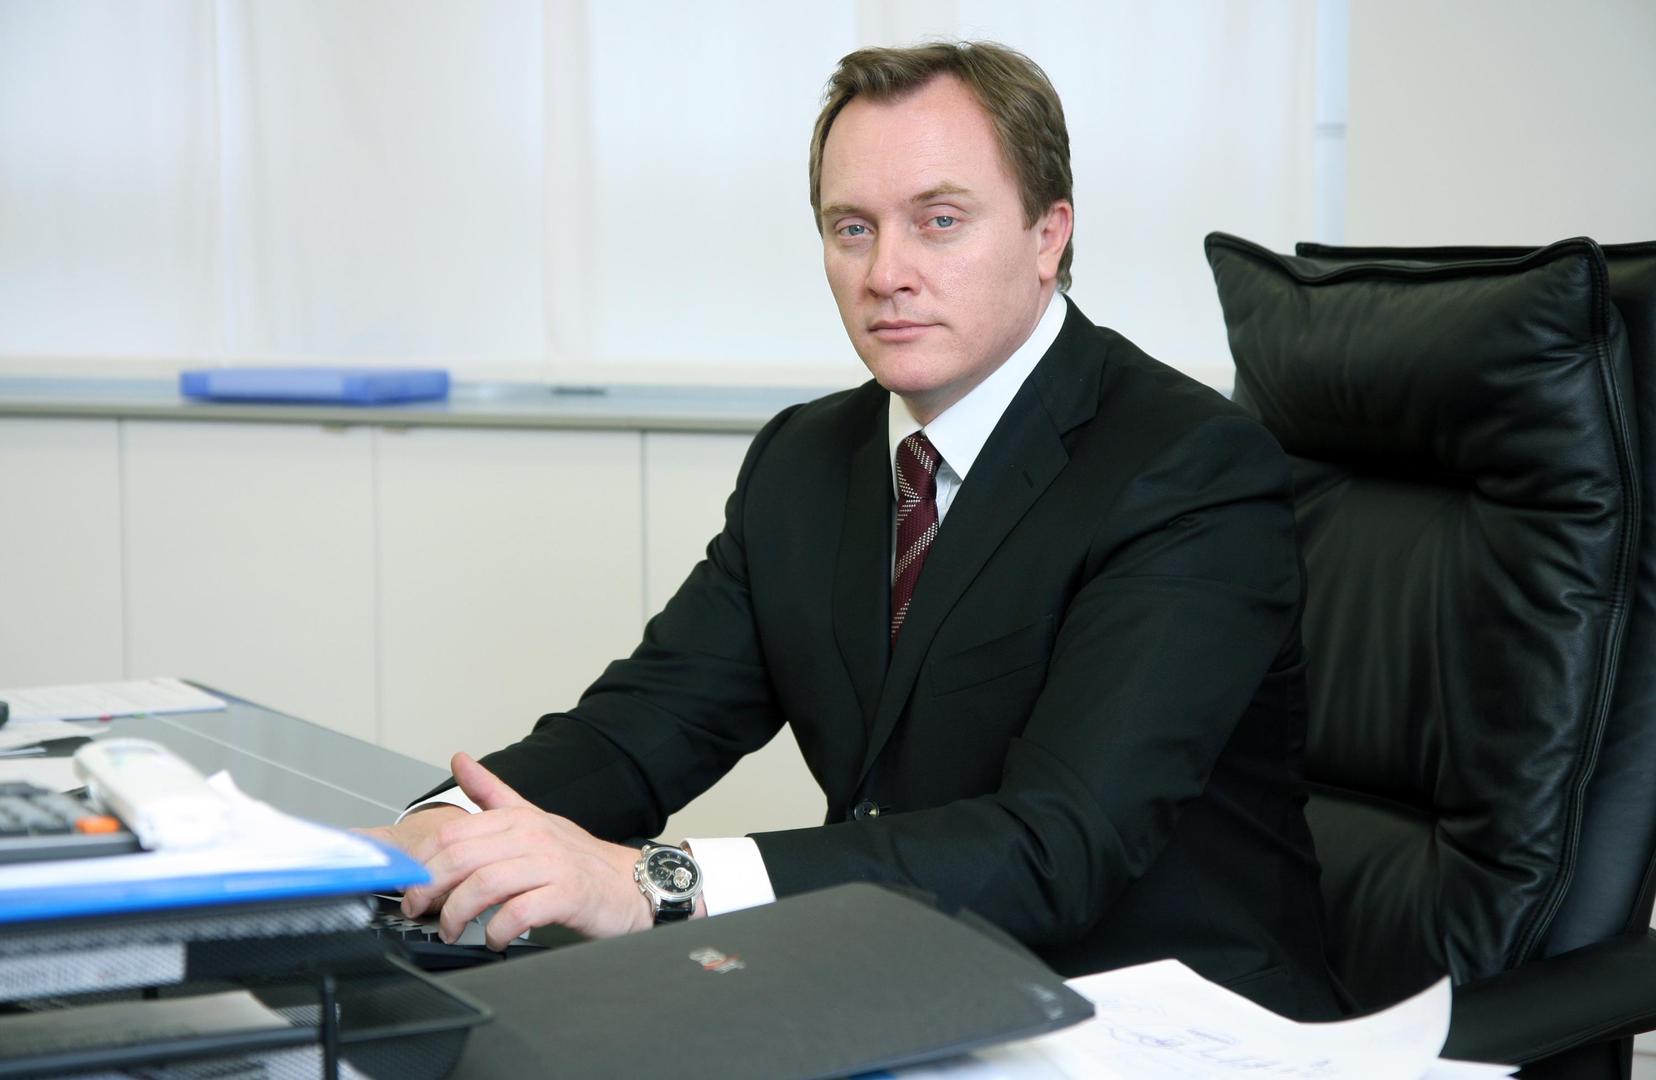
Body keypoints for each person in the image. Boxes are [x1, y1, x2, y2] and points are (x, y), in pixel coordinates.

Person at [365, 40, 1342, 1020]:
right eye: (852, 228)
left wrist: (654, 883)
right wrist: (430, 837)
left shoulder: (1187, 468)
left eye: (940, 221)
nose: (887, 273)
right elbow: (642, 729)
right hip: (904, 989)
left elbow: (1060, 847)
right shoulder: (806, 459)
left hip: (1158, 1019)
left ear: (1049, 235)